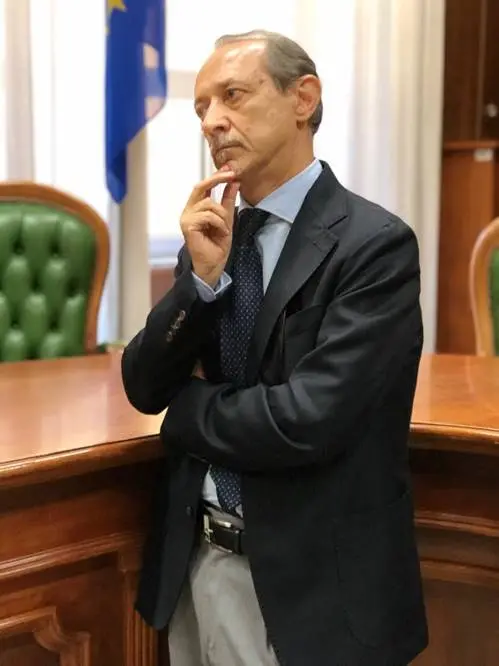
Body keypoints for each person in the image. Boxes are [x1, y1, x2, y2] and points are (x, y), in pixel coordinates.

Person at [121, 29, 428, 666]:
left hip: (311, 591)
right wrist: (201, 284)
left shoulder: (374, 245)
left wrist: (187, 409)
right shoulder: (214, 235)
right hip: (194, 564)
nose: (211, 121)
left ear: (303, 98)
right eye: (201, 107)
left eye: (232, 95)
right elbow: (144, 385)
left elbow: (307, 420)